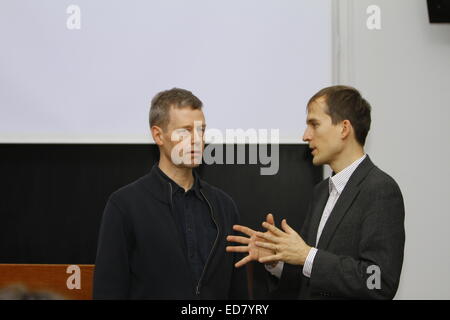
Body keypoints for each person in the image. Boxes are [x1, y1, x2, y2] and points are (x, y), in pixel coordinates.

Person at [227, 85, 405, 299]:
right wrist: (277, 261)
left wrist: (307, 255)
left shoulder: (380, 190)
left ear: (344, 128)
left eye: (314, 124)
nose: (305, 136)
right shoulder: (321, 192)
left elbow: (379, 280)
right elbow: (310, 277)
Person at [93, 88, 247, 299]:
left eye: (201, 130)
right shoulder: (125, 205)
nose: (197, 140)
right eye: (185, 131)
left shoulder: (224, 206)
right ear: (158, 135)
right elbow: (108, 292)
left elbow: (238, 295)